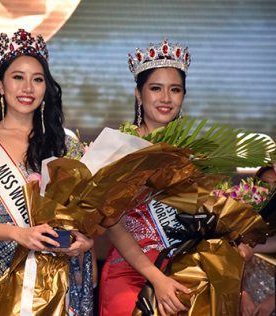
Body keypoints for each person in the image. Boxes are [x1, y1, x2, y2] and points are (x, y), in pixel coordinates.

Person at [0, 29, 94, 315]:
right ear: (0, 84)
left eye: (37, 79)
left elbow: (83, 214)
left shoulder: (66, 144)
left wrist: (85, 239)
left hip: (56, 270)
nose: (27, 88)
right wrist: (19, 233)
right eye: (18, 77)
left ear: (46, 87)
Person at [99, 39, 192, 316]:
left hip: (180, 276)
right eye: (156, 88)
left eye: (175, 90)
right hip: (128, 274)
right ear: (139, 94)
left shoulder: (191, 154)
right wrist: (156, 277)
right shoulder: (116, 148)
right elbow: (111, 224)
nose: (166, 98)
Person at [241, 165, 276, 316]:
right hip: (247, 292)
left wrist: (275, 299)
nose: (270, 188)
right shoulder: (243, 213)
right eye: (264, 183)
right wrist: (242, 294)